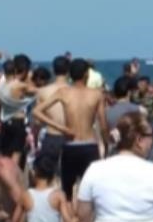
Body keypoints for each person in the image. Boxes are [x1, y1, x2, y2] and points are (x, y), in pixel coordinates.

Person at [34, 58, 109, 199]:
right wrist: (106, 144)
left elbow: (36, 111)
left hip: (70, 145)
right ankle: (85, 221)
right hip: (89, 146)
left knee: (67, 192)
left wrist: (60, 127)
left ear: (70, 74)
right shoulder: (97, 94)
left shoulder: (64, 92)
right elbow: (103, 125)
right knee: (92, 192)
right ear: (86, 74)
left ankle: (68, 219)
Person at [0, 54, 38, 169]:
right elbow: (40, 91)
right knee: (16, 156)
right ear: (24, 70)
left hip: (5, 121)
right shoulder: (21, 85)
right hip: (18, 122)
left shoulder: (1, 82)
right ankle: (12, 180)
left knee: (5, 154)